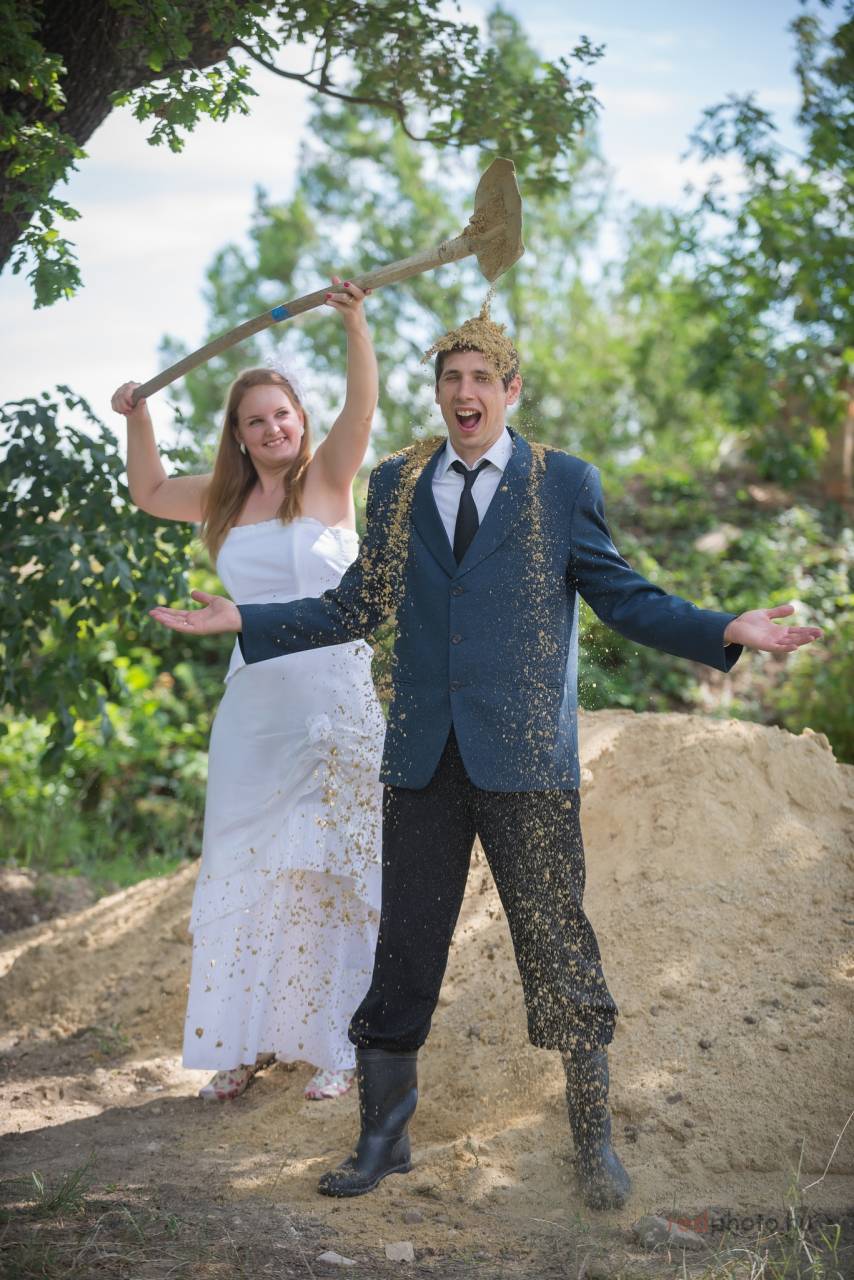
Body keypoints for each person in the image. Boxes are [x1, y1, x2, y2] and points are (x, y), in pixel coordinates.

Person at [149, 314, 822, 1208]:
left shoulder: (562, 483)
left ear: (511, 391)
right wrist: (248, 619)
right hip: (422, 759)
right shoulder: (396, 485)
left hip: (527, 763)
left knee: (556, 943)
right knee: (404, 949)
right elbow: (357, 604)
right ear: (438, 392)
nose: (464, 393)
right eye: (450, 377)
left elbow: (621, 595)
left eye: (481, 378)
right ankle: (383, 1141)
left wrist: (721, 628)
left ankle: (593, 1142)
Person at [112, 279, 386, 1103]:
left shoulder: (328, 478)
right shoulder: (222, 500)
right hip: (254, 715)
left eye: (283, 414)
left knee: (334, 872)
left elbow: (361, 411)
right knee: (249, 872)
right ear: (238, 434)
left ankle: (341, 1044)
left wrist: (354, 322)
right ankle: (245, 1040)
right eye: (256, 420)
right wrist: (137, 417)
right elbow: (147, 491)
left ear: (300, 419)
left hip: (334, 709)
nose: (273, 428)